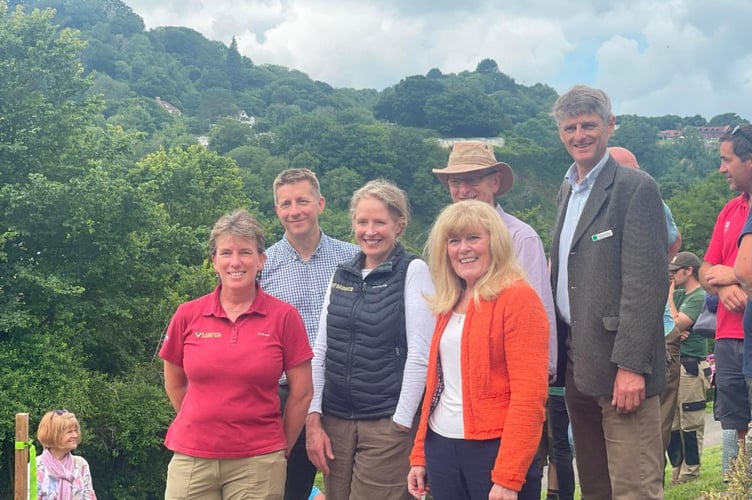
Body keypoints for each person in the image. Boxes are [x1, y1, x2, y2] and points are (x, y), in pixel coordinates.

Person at [550, 85, 668, 499]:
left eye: (589, 125)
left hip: (622, 370)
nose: (579, 135)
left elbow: (646, 283)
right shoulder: (567, 190)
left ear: (610, 125)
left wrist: (632, 366)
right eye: (570, 127)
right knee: (596, 488)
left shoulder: (635, 187)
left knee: (633, 487)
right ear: (561, 133)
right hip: (578, 366)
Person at [431, 140, 556, 499]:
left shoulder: (521, 244)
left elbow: (531, 376)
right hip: (447, 441)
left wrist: (511, 468)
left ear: (495, 182)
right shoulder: (450, 291)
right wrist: (423, 451)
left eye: (472, 179)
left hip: (498, 435)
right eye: (455, 182)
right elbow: (438, 378)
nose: (463, 189)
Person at [160, 209, 313, 499]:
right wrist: (203, 421)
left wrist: (283, 445)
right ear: (214, 261)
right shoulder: (188, 314)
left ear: (261, 260)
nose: (235, 262)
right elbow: (174, 383)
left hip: (258, 459)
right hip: (192, 455)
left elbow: (302, 393)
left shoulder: (284, 317)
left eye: (245, 252)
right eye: (226, 253)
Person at [407, 200, 548, 500]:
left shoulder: (518, 298)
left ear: (494, 242)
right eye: (454, 240)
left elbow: (530, 396)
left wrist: (509, 476)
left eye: (474, 238)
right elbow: (435, 387)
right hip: (442, 446)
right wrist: (420, 453)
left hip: (494, 450)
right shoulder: (449, 300)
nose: (463, 249)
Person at [306, 179, 434, 500]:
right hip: (336, 421)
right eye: (362, 222)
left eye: (380, 222)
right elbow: (321, 349)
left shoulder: (413, 270)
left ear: (399, 225)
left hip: (385, 422)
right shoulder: (342, 273)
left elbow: (421, 354)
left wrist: (402, 421)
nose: (370, 231)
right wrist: (314, 416)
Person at [260, 168, 358, 500]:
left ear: (320, 203)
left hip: (347, 390)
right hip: (290, 396)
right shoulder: (264, 266)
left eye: (302, 201)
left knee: (351, 486)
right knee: (289, 489)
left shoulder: (352, 258)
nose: (295, 210)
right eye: (285, 203)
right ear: (276, 210)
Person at [608, 145, 684, 457]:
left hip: (657, 331)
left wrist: (649, 267)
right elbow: (675, 240)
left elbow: (674, 243)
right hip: (616, 330)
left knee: (650, 435)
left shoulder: (648, 200)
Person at [701, 123, 751, 449]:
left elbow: (731, 270)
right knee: (733, 424)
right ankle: (734, 487)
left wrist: (732, 275)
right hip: (726, 335)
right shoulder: (730, 210)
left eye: (727, 160)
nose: (722, 169)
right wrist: (721, 289)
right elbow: (706, 269)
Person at [665, 251, 708, 483]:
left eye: (675, 271)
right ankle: (676, 470)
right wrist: (672, 325)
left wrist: (670, 300)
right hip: (673, 363)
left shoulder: (698, 296)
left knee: (690, 422)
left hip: (690, 365)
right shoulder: (681, 296)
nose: (671, 275)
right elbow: (665, 323)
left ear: (689, 270)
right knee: (672, 424)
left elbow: (676, 324)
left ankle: (691, 471)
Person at [36, 409, 96, 500]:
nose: (75, 435)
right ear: (53, 435)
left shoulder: (81, 465)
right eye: (69, 432)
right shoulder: (36, 467)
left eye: (75, 430)